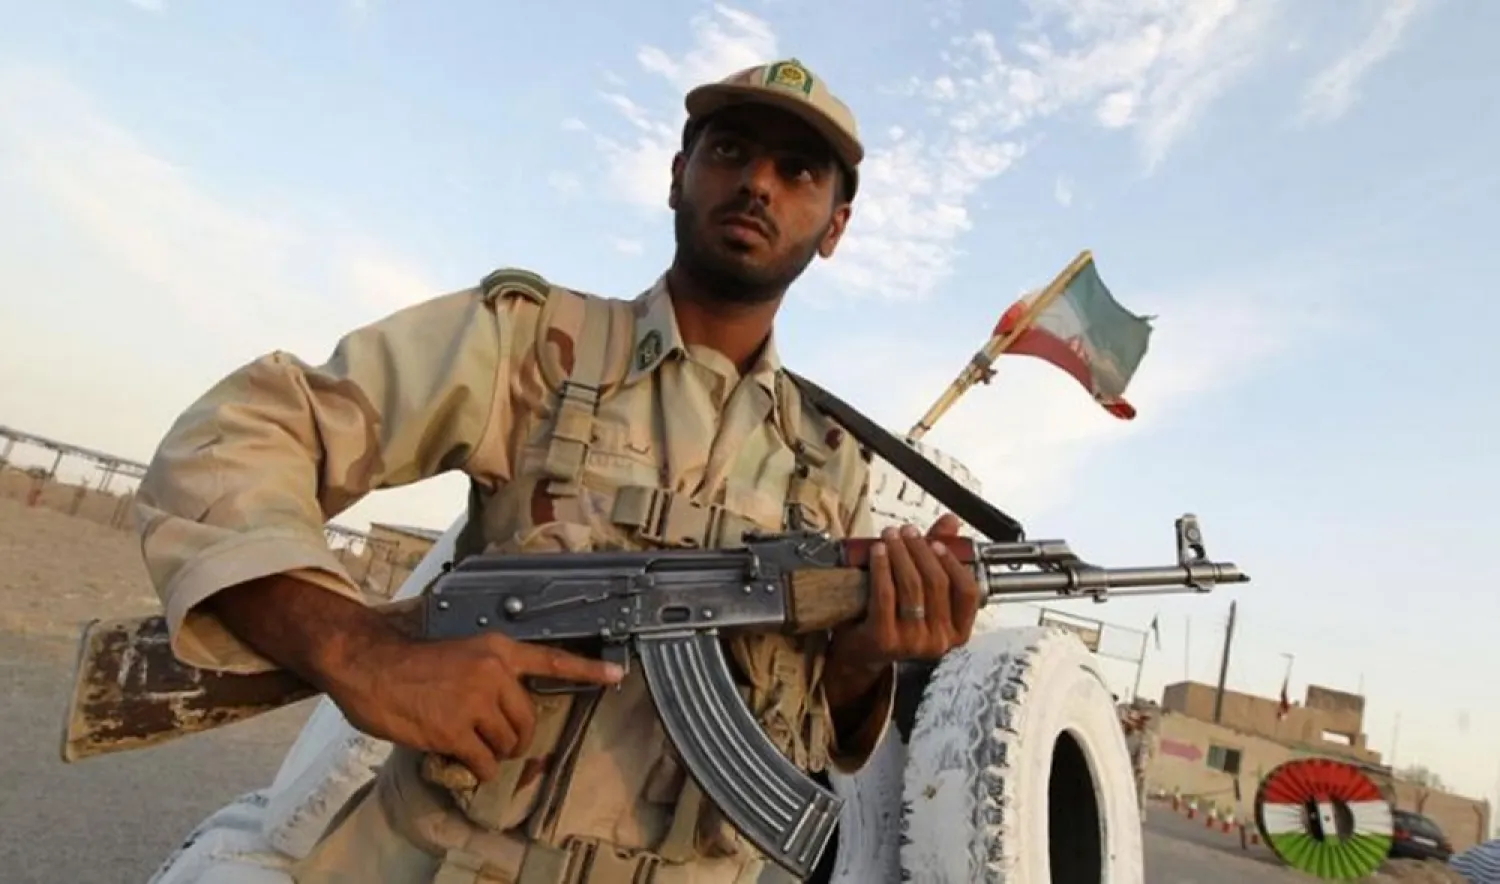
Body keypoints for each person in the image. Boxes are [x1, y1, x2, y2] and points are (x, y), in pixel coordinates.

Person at [133, 58, 983, 884]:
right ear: (680, 173)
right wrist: (352, 648)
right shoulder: (535, 347)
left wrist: (868, 656)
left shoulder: (830, 461)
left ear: (835, 226)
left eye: (798, 171)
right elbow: (238, 434)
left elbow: (802, 719)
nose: (759, 182)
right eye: (730, 150)